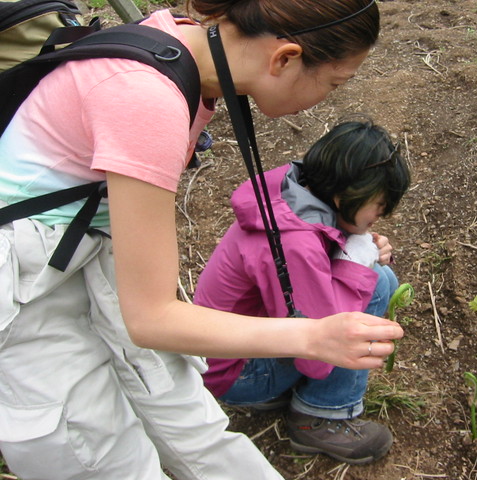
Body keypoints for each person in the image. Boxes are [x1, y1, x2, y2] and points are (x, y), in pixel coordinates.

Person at [0, 1, 405, 479]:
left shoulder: (187, 49)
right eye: (334, 83)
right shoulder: (147, 97)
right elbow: (151, 318)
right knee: (99, 454)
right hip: (25, 276)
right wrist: (313, 337)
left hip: (85, 242)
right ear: (285, 58)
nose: (325, 100)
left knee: (180, 409)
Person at [194, 118, 411, 465]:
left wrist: (361, 245)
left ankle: (292, 393)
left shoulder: (292, 193)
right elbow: (322, 346)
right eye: (377, 206)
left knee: (380, 277)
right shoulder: (295, 244)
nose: (382, 214)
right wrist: (356, 262)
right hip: (239, 372)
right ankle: (321, 414)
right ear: (342, 197)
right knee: (373, 287)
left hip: (234, 348)